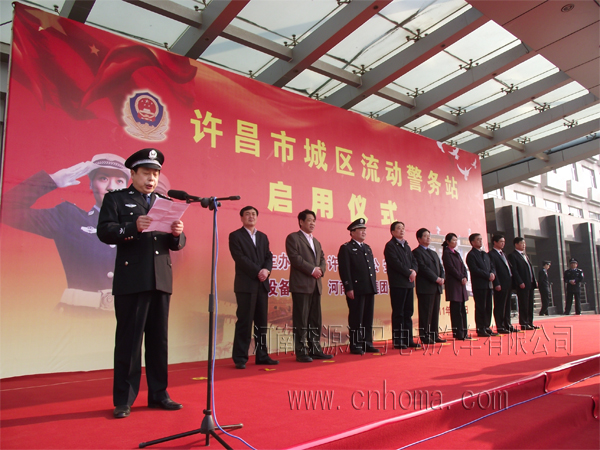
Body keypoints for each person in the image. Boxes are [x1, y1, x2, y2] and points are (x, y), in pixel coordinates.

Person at [97, 148, 186, 419]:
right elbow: (105, 231)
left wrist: (177, 234)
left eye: (156, 174)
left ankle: (159, 394)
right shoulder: (117, 199)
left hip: (161, 279)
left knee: (159, 341)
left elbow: (175, 244)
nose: (151, 179)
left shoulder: (164, 201)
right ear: (133, 174)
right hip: (132, 279)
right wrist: (132, 227)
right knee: (130, 341)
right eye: (146, 173)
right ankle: (124, 399)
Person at [2, 153, 130, 311]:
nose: (111, 187)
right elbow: (6, 209)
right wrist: (51, 181)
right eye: (103, 178)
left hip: (127, 316)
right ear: (91, 184)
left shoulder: (140, 226)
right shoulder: (69, 217)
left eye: (119, 181)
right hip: (77, 314)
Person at [228, 206, 278, 369]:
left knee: (261, 323)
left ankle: (262, 355)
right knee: (245, 321)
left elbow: (268, 256)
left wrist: (266, 270)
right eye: (247, 214)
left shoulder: (263, 236)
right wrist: (258, 271)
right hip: (246, 285)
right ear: (241, 218)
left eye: (254, 214)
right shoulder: (235, 236)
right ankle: (240, 358)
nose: (251, 216)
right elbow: (239, 258)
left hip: (262, 284)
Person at [285, 209, 332, 362]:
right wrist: (312, 270)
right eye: (309, 220)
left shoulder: (316, 241)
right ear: (301, 222)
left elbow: (322, 259)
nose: (312, 223)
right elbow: (295, 258)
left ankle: (315, 349)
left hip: (316, 285)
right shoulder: (293, 238)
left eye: (314, 220)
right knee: (301, 320)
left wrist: (321, 270)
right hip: (301, 285)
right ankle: (301, 352)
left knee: (315, 320)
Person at [337, 218, 378, 355]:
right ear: (352, 232)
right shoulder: (346, 248)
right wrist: (348, 287)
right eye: (360, 229)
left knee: (368, 318)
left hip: (369, 287)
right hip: (356, 289)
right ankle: (356, 344)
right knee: (356, 318)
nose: (363, 232)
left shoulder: (367, 248)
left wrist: (373, 286)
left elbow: (371, 270)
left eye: (364, 229)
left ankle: (367, 343)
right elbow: (345, 270)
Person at [383, 221, 420, 349]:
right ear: (392, 232)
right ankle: (398, 340)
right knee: (399, 313)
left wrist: (414, 271)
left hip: (409, 284)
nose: (402, 230)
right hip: (398, 284)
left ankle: (408, 339)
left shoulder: (407, 246)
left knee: (408, 313)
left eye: (403, 228)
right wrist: (408, 273)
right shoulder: (390, 246)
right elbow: (395, 263)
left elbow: (414, 261)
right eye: (399, 228)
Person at [412, 228, 446, 345]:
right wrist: (436, 278)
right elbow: (423, 268)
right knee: (425, 313)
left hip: (436, 287)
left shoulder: (433, 253)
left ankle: (434, 334)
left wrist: (442, 278)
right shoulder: (416, 252)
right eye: (425, 236)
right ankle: (425, 336)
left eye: (429, 236)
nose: (428, 238)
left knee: (435, 312)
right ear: (419, 239)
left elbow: (441, 267)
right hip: (426, 287)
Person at [466, 233, 497, 337]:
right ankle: (481, 329)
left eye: (481, 239)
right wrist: (487, 275)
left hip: (488, 285)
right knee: (481, 307)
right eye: (478, 239)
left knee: (488, 307)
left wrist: (492, 273)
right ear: (472, 242)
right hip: (479, 285)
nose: (480, 241)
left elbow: (492, 266)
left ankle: (487, 327)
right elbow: (474, 270)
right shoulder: (471, 255)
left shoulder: (485, 254)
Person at [441, 233, 469, 340]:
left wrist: (465, 276)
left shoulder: (456, 253)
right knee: (456, 309)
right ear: (448, 242)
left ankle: (464, 332)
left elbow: (463, 267)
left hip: (461, 284)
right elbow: (450, 268)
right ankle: (458, 333)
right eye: (453, 240)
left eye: (456, 240)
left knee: (462, 309)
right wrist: (460, 277)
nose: (455, 242)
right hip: (454, 284)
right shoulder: (446, 253)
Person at [507, 237, 538, 330]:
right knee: (524, 304)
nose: (524, 245)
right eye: (522, 243)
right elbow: (515, 270)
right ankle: (524, 323)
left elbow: (530, 269)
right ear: (516, 244)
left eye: (524, 243)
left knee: (530, 304)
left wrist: (534, 280)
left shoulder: (525, 255)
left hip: (530, 283)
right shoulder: (513, 256)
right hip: (522, 284)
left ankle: (530, 322)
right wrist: (520, 281)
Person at [488, 234, 516, 333]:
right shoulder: (491, 254)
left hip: (508, 283)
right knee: (500, 305)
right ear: (495, 242)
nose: (503, 243)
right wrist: (496, 283)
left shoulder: (503, 254)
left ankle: (507, 324)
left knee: (507, 305)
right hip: (500, 283)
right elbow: (493, 269)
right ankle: (500, 326)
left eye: (504, 242)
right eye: (501, 241)